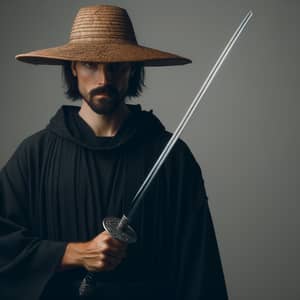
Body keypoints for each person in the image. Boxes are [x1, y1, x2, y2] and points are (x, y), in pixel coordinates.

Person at [0, 4, 228, 300]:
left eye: (116, 66)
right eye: (90, 65)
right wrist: (73, 254)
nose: (103, 79)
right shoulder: (36, 154)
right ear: (73, 68)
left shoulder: (171, 157)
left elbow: (200, 266)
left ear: (131, 69)